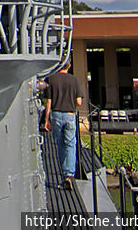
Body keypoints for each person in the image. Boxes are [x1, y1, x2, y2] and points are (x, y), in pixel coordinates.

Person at [44, 61, 83, 189]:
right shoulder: (74, 80)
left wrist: (46, 120)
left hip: (56, 114)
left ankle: (63, 173)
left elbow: (48, 101)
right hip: (70, 114)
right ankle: (69, 174)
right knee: (71, 144)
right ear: (69, 66)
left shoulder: (51, 79)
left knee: (60, 144)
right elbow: (79, 101)